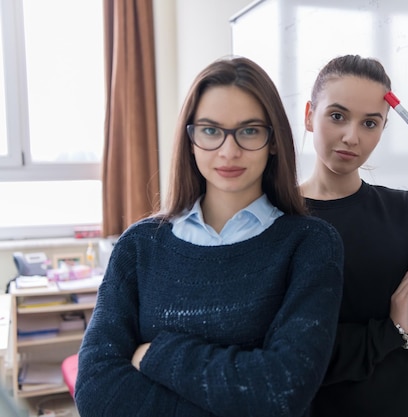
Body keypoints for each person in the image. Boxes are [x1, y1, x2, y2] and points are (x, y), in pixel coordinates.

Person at [75, 56, 344, 417]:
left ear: (274, 140)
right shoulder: (139, 246)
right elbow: (96, 391)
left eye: (249, 130)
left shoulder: (310, 245)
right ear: (190, 140)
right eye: (210, 130)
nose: (228, 151)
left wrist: (155, 353)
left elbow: (281, 391)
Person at [300, 54, 408, 417]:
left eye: (370, 123)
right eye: (337, 116)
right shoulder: (278, 219)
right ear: (310, 115)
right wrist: (390, 330)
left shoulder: (406, 211)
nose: (351, 137)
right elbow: (295, 354)